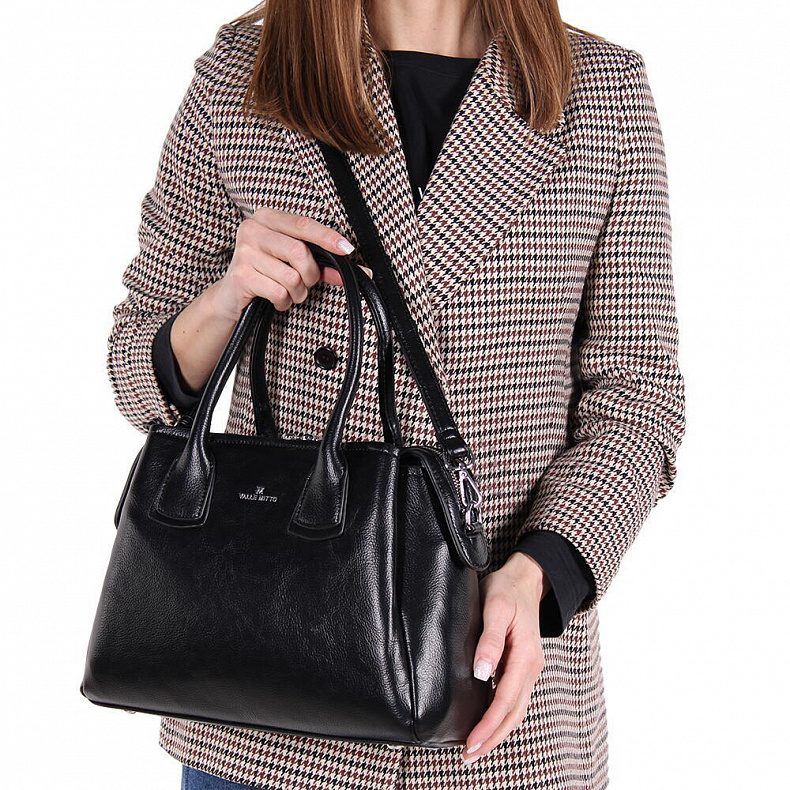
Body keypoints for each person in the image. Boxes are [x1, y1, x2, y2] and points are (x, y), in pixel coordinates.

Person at [106, 1, 685, 788]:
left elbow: (639, 400)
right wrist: (230, 294)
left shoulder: (601, 93)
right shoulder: (247, 71)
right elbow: (134, 374)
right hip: (269, 714)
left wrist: (538, 575)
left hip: (496, 701)